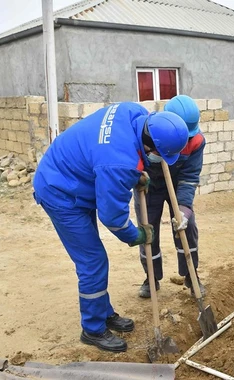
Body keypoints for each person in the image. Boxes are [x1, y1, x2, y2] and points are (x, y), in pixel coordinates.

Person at [32, 102, 189, 353]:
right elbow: (113, 217)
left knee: (95, 259)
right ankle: (92, 329)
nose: (159, 160)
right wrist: (136, 235)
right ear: (150, 146)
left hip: (75, 174)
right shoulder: (119, 163)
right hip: (60, 192)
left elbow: (106, 153)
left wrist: (136, 173)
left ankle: (104, 313)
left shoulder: (132, 112)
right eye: (159, 155)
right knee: (92, 261)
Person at [134, 95, 206, 299]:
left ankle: (191, 275)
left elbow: (190, 176)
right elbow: (131, 161)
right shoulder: (148, 131)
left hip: (176, 186)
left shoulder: (197, 141)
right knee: (148, 231)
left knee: (187, 226)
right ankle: (151, 277)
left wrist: (183, 210)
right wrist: (139, 174)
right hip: (149, 186)